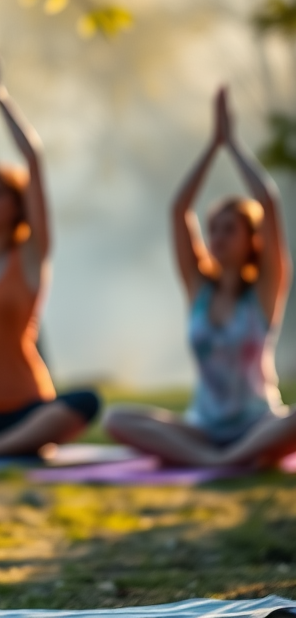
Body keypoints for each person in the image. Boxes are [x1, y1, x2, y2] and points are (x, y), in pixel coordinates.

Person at [104, 87, 295, 467]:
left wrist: (234, 146)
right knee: (115, 418)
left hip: (257, 422)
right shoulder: (200, 290)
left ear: (251, 241)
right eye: (214, 229)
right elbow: (179, 210)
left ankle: (221, 459)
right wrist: (212, 147)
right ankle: (221, 460)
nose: (218, 238)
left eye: (229, 230)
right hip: (203, 426)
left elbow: (269, 203)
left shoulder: (263, 293)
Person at [0, 44, 100, 458]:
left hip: (28, 406)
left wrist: (0, 99)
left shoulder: (30, 254)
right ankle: (2, 448)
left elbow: (33, 159)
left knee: (85, 402)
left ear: (16, 205)